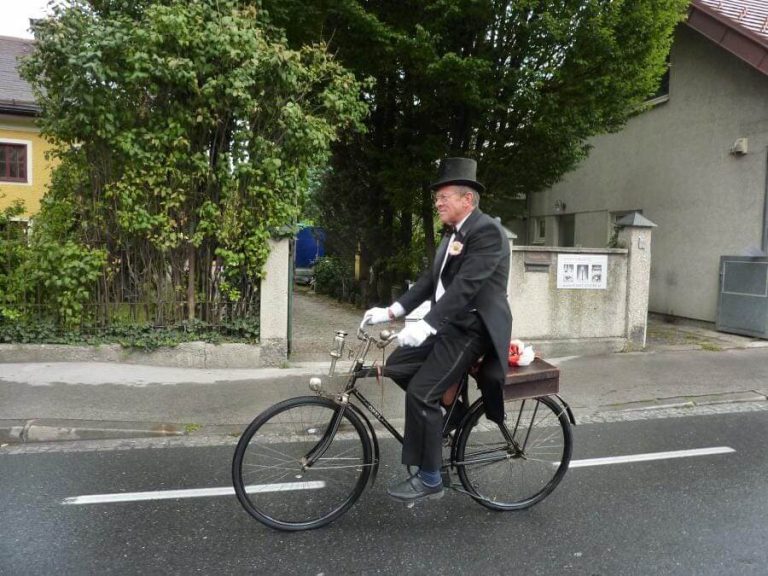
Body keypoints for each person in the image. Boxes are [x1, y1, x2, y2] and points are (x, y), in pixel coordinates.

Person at [361, 157, 512, 503]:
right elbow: (431, 282)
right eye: (437, 198)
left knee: (422, 393)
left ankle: (430, 478)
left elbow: (466, 288)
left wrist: (427, 325)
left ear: (467, 200)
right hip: (448, 323)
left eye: (444, 196)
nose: (438, 203)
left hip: (471, 329)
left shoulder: (487, 232)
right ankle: (453, 417)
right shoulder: (452, 234)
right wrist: (391, 311)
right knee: (398, 365)